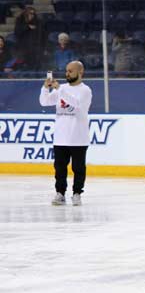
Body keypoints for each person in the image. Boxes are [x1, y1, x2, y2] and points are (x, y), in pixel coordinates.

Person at [39, 61, 92, 206]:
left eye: (71, 71)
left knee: (78, 168)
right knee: (60, 168)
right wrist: (45, 88)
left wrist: (60, 91)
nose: (67, 73)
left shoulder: (85, 90)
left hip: (78, 137)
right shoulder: (61, 88)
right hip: (61, 137)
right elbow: (44, 102)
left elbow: (78, 106)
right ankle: (60, 193)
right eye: (66, 71)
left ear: (80, 72)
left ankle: (77, 193)